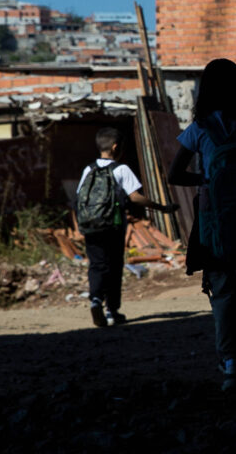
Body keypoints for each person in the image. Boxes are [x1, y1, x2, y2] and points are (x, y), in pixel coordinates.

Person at [168, 58, 236, 392]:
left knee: (223, 289)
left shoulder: (199, 129)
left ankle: (230, 361)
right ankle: (233, 355)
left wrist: (208, 178)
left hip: (213, 221)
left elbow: (174, 174)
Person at [76, 127, 177, 328]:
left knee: (97, 265)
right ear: (116, 147)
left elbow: (79, 197)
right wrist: (161, 207)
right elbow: (135, 197)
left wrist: (82, 223)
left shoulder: (88, 169)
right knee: (114, 266)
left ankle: (95, 299)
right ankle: (112, 311)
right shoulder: (121, 169)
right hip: (113, 226)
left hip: (90, 226)